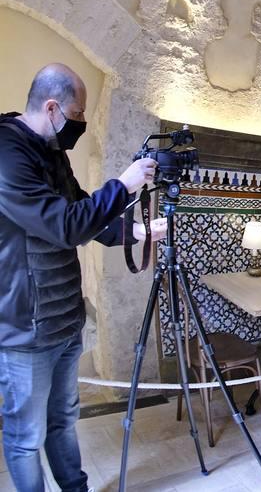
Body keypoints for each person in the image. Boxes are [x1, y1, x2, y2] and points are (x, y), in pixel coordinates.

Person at [0, 64, 162, 492]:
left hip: (65, 318)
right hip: (25, 329)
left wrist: (138, 231)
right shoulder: (5, 153)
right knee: (25, 437)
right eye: (77, 114)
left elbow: (84, 211)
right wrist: (124, 184)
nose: (82, 124)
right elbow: (64, 226)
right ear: (52, 107)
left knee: (63, 420)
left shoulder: (51, 149)